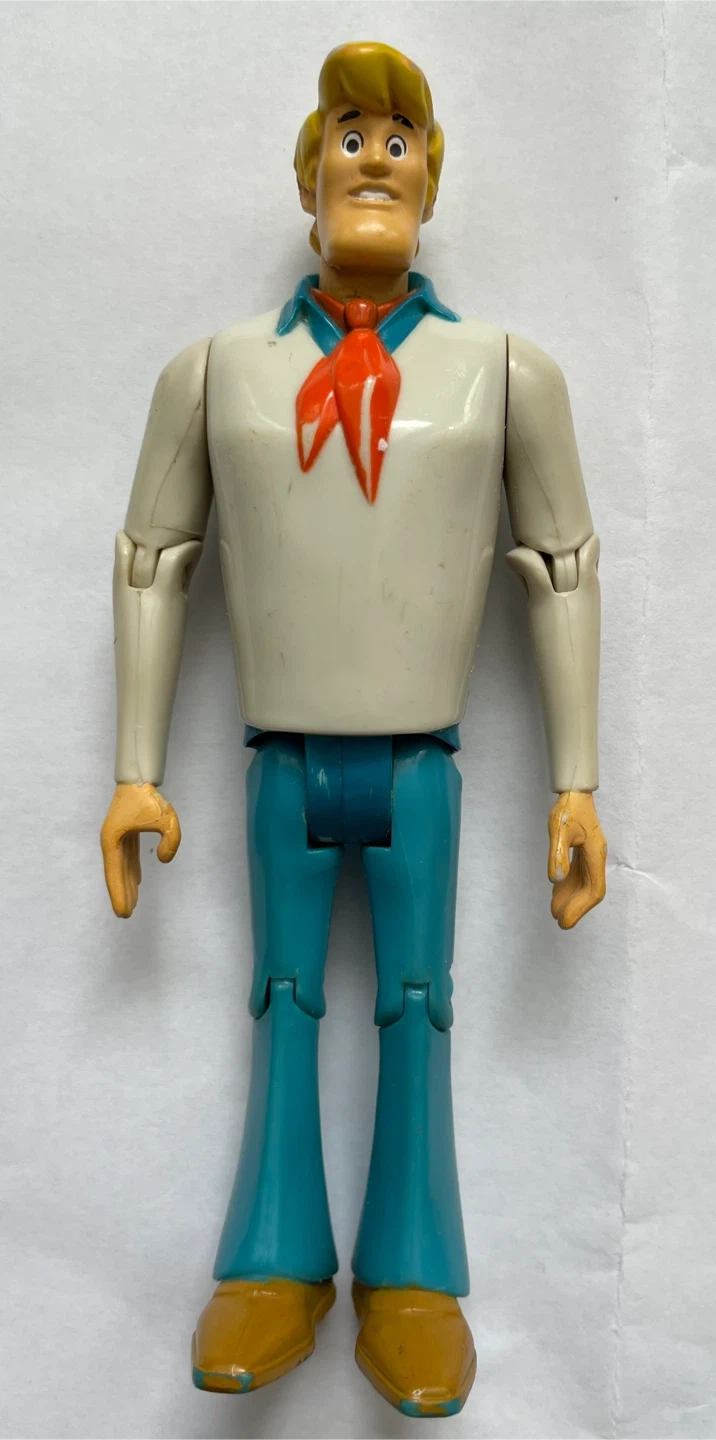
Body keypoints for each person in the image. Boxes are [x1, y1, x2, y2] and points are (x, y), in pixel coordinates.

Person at [101, 40, 607, 1420]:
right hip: (279, 758)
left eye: (399, 139)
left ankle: (413, 1272)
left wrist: (574, 783)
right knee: (280, 999)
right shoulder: (221, 373)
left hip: (421, 762)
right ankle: (274, 1255)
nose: (373, 158)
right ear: (308, 175)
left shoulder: (503, 374)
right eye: (349, 134)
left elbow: (563, 567)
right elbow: (152, 560)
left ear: (429, 181)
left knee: (418, 1005)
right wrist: (136, 771)